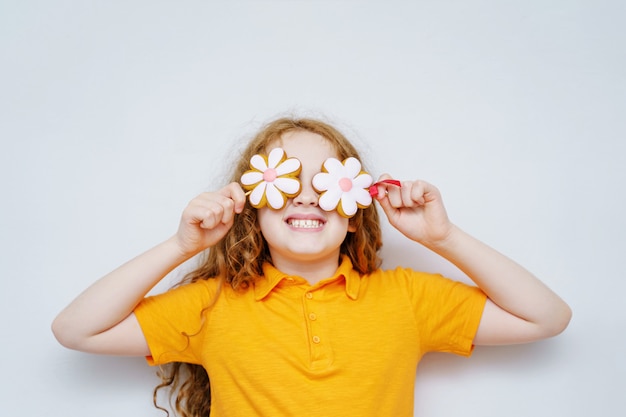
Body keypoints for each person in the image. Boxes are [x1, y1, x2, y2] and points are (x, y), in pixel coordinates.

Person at [52, 117, 572, 417]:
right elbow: (75, 330)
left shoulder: (407, 299)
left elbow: (546, 318)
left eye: (327, 182)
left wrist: (444, 237)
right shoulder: (213, 304)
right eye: (285, 181)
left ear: (355, 214)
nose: (306, 197)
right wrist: (179, 245)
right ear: (251, 207)